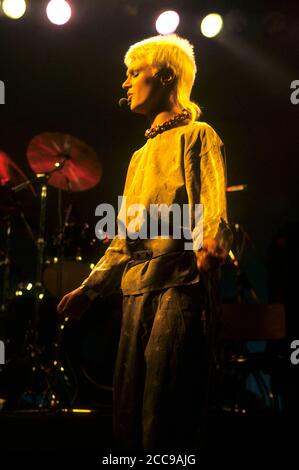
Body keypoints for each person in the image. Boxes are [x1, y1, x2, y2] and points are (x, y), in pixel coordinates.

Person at [57, 34, 229, 450]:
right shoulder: (138, 157)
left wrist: (210, 244)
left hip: (179, 289)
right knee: (129, 410)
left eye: (135, 73)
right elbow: (125, 235)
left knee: (165, 410)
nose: (126, 82)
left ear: (166, 75)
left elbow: (213, 205)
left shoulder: (198, 135)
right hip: (136, 293)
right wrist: (92, 287)